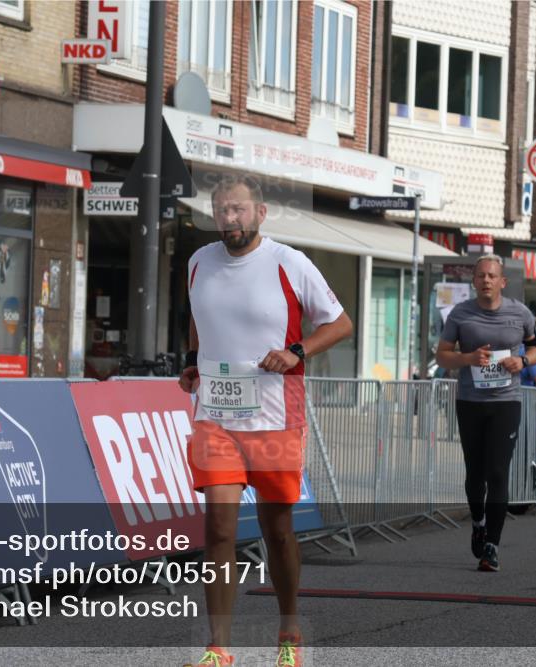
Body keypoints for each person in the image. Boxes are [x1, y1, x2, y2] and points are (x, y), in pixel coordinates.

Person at [178, 175, 353, 667]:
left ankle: (289, 628)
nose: (229, 219)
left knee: (276, 530)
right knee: (218, 527)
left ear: (260, 213)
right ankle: (218, 649)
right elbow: (198, 317)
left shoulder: (289, 263)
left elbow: (339, 323)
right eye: (221, 210)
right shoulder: (198, 263)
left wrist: (297, 351)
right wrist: (193, 359)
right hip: (216, 417)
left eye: (237, 209)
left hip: (276, 417)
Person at [435, 254, 536, 572]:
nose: (486, 280)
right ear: (474, 281)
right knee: (475, 475)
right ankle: (478, 521)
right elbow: (442, 356)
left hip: (506, 402)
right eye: (481, 275)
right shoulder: (461, 313)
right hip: (470, 401)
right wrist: (467, 359)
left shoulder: (519, 312)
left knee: (498, 473)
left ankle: (492, 546)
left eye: (492, 276)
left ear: (502, 281)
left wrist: (522, 362)